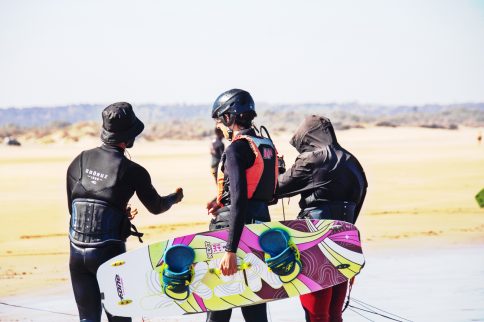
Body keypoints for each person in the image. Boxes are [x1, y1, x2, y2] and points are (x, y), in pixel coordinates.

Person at [66, 102, 184, 322]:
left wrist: (117, 212)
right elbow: (156, 207)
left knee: (87, 319)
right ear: (128, 138)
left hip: (76, 252)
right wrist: (174, 198)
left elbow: (74, 208)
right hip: (109, 254)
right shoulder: (133, 171)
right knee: (120, 317)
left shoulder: (79, 161)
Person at [275, 115, 368, 322]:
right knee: (334, 314)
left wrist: (277, 169)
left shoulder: (312, 159)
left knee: (316, 314)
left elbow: (276, 189)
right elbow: (359, 201)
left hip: (315, 242)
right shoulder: (352, 161)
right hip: (346, 243)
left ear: (307, 138)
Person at [206, 89, 278, 322]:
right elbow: (263, 192)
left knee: (219, 303)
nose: (220, 125)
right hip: (261, 228)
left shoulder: (236, 149)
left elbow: (239, 201)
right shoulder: (266, 145)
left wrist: (229, 250)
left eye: (220, 119)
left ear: (229, 117)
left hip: (233, 232)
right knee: (254, 304)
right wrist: (220, 200)